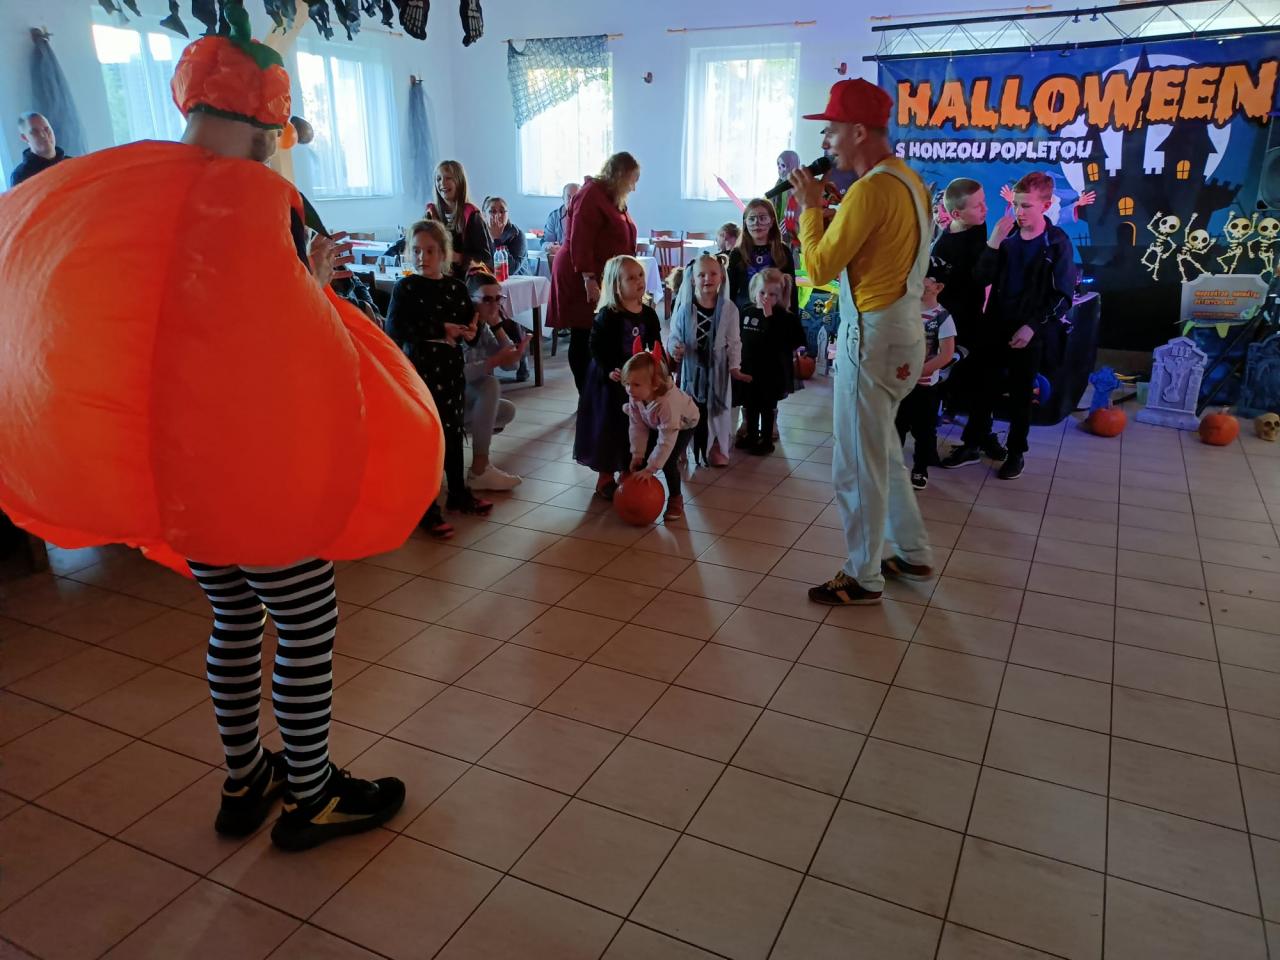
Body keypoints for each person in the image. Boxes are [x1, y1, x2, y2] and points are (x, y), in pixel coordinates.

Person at [0, 10, 445, 852]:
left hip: (184, 477)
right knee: (306, 621)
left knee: (236, 617)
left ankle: (246, 778)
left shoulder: (136, 189)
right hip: (252, 468)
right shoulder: (247, 201)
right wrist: (313, 289)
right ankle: (312, 794)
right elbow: (267, 345)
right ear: (267, 122)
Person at [788, 78, 934, 606]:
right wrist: (832, 215)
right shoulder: (907, 180)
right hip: (903, 333)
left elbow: (819, 268)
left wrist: (810, 208)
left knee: (855, 461)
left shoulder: (870, 189)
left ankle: (863, 575)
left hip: (869, 338)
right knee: (883, 451)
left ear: (856, 131)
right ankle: (912, 552)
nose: (825, 142)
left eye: (830, 130)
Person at [941, 171, 1076, 480]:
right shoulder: (1008, 237)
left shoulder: (1056, 242)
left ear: (1046, 205)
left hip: (1029, 331)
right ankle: (972, 443)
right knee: (982, 389)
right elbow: (981, 278)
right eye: (1015, 204)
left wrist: (1033, 327)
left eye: (1026, 205)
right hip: (995, 324)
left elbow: (1062, 295)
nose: (1019, 212)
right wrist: (993, 244)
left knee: (1020, 395)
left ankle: (1016, 452)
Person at [387, 220, 493, 537]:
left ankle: (458, 493)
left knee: (452, 432)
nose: (423, 257)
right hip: (420, 370)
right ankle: (425, 507)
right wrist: (439, 329)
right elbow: (395, 328)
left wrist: (471, 332)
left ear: (443, 253)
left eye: (430, 251)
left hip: (449, 369)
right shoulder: (406, 288)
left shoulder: (455, 288)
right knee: (427, 438)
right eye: (417, 251)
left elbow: (470, 329)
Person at [548, 152, 640, 393]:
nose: (633, 187)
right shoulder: (591, 194)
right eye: (632, 180)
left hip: (602, 275)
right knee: (584, 334)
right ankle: (586, 396)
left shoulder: (612, 197)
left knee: (599, 332)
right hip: (580, 274)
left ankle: (598, 393)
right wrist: (588, 279)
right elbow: (581, 239)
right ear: (620, 175)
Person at [573, 255, 660, 498]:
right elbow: (595, 346)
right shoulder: (608, 315)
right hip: (610, 383)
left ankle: (628, 469)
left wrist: (659, 369)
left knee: (635, 427)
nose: (639, 281)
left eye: (640, 275)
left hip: (638, 382)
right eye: (631, 278)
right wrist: (609, 368)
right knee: (610, 428)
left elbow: (655, 344)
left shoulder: (648, 314)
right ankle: (605, 476)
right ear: (616, 286)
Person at [666, 253, 746, 469]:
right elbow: (674, 335)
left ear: (721, 277)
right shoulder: (685, 309)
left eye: (712, 274)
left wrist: (734, 366)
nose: (707, 279)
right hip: (690, 368)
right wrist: (675, 348)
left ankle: (716, 446)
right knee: (688, 408)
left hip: (717, 370)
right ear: (693, 279)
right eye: (701, 275)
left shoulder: (729, 309)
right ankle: (682, 446)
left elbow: (734, 341)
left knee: (716, 409)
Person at [929, 177, 996, 433]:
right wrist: (995, 244)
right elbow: (980, 276)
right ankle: (933, 415)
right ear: (957, 214)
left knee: (974, 372)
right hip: (949, 321)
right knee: (945, 368)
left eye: (984, 202)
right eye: (978, 206)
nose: (985, 209)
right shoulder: (943, 248)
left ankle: (960, 412)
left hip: (973, 315)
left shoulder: (977, 225)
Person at [463, 271, 527, 490]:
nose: (494, 305)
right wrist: (494, 361)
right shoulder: (462, 327)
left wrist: (498, 326)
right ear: (471, 300)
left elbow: (511, 366)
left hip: (466, 396)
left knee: (506, 410)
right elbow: (459, 374)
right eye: (487, 299)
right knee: (489, 385)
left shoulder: (484, 327)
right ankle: (480, 469)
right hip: (446, 397)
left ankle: (476, 461)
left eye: (498, 298)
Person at [622, 350, 699, 523]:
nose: (629, 389)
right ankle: (634, 492)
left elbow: (666, 439)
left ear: (655, 384)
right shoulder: (636, 396)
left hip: (683, 424)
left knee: (668, 461)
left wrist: (652, 468)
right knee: (644, 454)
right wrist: (637, 453)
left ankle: (676, 499)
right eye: (627, 383)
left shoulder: (668, 404)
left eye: (636, 384)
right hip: (656, 423)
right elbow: (637, 427)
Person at [734, 268, 805, 455]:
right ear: (754, 292)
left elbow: (792, 341)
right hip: (748, 369)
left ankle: (766, 440)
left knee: (766, 407)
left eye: (772, 295)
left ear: (780, 296)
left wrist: (769, 318)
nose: (766, 298)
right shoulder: (747, 311)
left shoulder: (785, 317)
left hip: (772, 373)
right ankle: (751, 435)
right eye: (762, 293)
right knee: (750, 405)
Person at [895, 272, 956, 489]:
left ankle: (920, 468)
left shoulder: (943, 317)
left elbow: (946, 354)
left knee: (924, 429)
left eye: (926, 280)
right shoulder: (904, 311)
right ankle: (893, 467)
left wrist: (920, 371)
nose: (920, 284)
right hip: (900, 382)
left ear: (938, 287)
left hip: (925, 385)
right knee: (897, 425)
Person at [727, 198, 799, 314]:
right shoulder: (737, 253)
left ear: (771, 222)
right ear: (745, 222)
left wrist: (793, 319)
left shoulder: (783, 251)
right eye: (752, 219)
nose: (757, 223)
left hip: (776, 316)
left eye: (763, 218)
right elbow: (730, 291)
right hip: (743, 316)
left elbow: (791, 291)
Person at [426, 160, 492, 279]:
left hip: (465, 280)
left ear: (460, 182)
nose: (442, 183)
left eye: (448, 178)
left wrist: (456, 257)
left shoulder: (472, 215)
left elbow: (485, 258)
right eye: (438, 179)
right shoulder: (430, 214)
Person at [9, 113, 69, 188]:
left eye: (47, 129)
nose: (44, 135)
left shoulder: (72, 164)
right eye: (35, 132)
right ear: (25, 138)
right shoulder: (20, 177)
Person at [482, 195, 529, 275]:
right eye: (493, 211)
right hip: (490, 279)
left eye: (502, 211)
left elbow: (510, 270)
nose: (498, 215)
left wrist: (497, 240)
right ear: (484, 215)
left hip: (518, 280)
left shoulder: (517, 235)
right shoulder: (481, 233)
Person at [541, 181, 580, 260]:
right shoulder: (554, 216)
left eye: (576, 197)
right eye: (569, 197)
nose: (572, 201)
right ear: (563, 198)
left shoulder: (588, 217)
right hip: (559, 258)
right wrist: (549, 246)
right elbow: (545, 242)